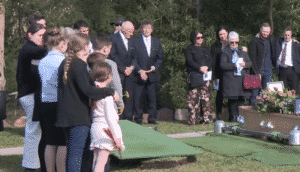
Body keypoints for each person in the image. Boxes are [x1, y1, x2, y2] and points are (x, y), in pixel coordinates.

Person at [55, 33, 118, 172]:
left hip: (65, 116)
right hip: (78, 117)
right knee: (76, 155)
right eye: (88, 44)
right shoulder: (78, 65)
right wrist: (110, 92)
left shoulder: (64, 64)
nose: (90, 47)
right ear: (83, 47)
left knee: (72, 153)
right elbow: (88, 90)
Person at [32, 27, 67, 172]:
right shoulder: (63, 60)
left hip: (45, 102)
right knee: (62, 143)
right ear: (61, 44)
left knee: (49, 142)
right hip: (59, 103)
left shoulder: (43, 61)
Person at [16, 23, 47, 171]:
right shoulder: (29, 48)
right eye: (40, 35)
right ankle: (31, 166)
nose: (43, 39)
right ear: (30, 34)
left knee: (34, 130)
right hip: (29, 95)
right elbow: (42, 52)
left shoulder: (31, 49)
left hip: (29, 94)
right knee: (33, 130)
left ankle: (32, 164)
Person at [89, 57, 125, 172]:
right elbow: (110, 119)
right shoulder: (107, 97)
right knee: (101, 163)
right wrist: (118, 138)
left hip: (95, 128)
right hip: (105, 130)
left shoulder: (93, 92)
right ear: (109, 76)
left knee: (96, 161)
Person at [132, 21, 163, 124]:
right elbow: (133, 58)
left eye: (148, 28)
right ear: (141, 30)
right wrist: (140, 70)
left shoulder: (156, 42)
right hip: (139, 74)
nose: (146, 30)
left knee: (152, 98)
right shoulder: (135, 41)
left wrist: (154, 68)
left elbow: (160, 58)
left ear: (152, 30)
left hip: (152, 74)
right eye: (144, 28)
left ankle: (152, 118)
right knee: (138, 98)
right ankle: (138, 118)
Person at [220, 31, 252, 122]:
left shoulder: (242, 51)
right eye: (232, 42)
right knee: (232, 100)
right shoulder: (225, 52)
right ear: (229, 42)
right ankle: (232, 117)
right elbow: (223, 65)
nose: (234, 44)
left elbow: (250, 63)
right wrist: (236, 65)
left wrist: (245, 64)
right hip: (231, 79)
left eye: (236, 42)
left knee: (241, 100)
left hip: (241, 80)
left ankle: (240, 118)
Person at [89, 34, 124, 113]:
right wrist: (120, 103)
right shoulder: (110, 64)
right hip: (107, 103)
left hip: (90, 104)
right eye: (109, 48)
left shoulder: (87, 62)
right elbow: (116, 84)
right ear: (105, 49)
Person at [186, 30, 213, 125]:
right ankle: (193, 120)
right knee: (193, 99)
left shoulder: (206, 49)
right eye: (198, 37)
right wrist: (199, 68)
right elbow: (189, 61)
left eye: (202, 37)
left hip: (205, 76)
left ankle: (206, 119)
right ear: (194, 38)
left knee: (206, 99)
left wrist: (207, 67)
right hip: (194, 76)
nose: (200, 39)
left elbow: (210, 60)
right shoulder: (190, 48)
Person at [110, 21, 136, 121]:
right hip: (118, 73)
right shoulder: (113, 38)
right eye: (130, 31)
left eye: (133, 31)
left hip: (130, 73)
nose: (132, 33)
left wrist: (131, 67)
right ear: (123, 29)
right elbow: (113, 55)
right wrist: (123, 69)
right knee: (119, 95)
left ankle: (128, 118)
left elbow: (135, 56)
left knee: (129, 96)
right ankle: (118, 117)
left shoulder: (133, 40)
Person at [249, 23, 276, 106]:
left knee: (266, 94)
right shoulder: (254, 41)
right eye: (264, 31)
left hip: (268, 70)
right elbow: (252, 58)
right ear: (261, 31)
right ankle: (252, 114)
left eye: (267, 32)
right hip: (256, 71)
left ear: (270, 32)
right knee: (254, 94)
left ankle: (264, 113)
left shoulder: (272, 40)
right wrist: (257, 72)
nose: (266, 33)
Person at [211, 25, 230, 120]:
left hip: (230, 73)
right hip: (219, 73)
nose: (222, 36)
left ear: (227, 33)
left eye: (224, 33)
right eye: (220, 34)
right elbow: (213, 61)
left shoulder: (232, 43)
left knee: (231, 94)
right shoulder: (215, 46)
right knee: (219, 95)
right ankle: (218, 114)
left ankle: (232, 114)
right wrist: (214, 76)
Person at [275, 27, 300, 93]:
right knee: (282, 92)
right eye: (285, 35)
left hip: (293, 70)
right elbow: (270, 38)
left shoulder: (296, 44)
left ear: (291, 35)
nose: (286, 36)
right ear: (283, 34)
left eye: (288, 35)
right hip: (282, 70)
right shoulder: (279, 42)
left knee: (294, 91)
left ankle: (296, 103)